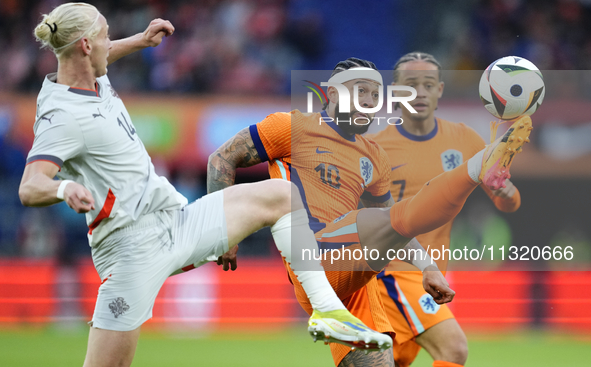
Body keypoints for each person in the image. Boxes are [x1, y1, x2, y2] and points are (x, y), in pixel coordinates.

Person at [18, 3, 392, 367]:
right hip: (130, 252)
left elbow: (102, 55)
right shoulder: (62, 116)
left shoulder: (92, 74)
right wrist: (63, 190)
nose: (110, 43)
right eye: (105, 36)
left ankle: (327, 312)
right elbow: (30, 186)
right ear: (85, 45)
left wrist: (141, 40)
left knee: (282, 194)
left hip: (175, 222)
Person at [207, 57, 533, 366]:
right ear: (332, 93)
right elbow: (221, 159)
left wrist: (428, 268)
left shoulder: (374, 157)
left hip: (356, 277)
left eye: (375, 94)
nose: (369, 100)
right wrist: (223, 231)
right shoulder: (290, 127)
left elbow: (393, 223)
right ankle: (475, 169)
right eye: (360, 90)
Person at [371, 52, 524, 367]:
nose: (420, 92)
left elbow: (506, 203)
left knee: (390, 362)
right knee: (453, 349)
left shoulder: (465, 139)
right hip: (394, 271)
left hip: (434, 274)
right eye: (410, 85)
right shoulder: (375, 148)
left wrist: (506, 191)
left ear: (440, 90)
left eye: (428, 84)